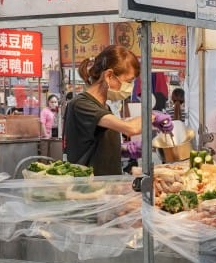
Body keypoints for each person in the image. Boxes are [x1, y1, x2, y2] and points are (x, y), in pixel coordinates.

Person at [63, 45, 172, 176]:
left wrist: (125, 150)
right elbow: (129, 128)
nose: (130, 87)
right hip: (88, 189)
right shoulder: (81, 104)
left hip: (107, 187)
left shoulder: (104, 107)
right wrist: (152, 116)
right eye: (128, 81)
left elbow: (97, 147)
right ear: (109, 75)